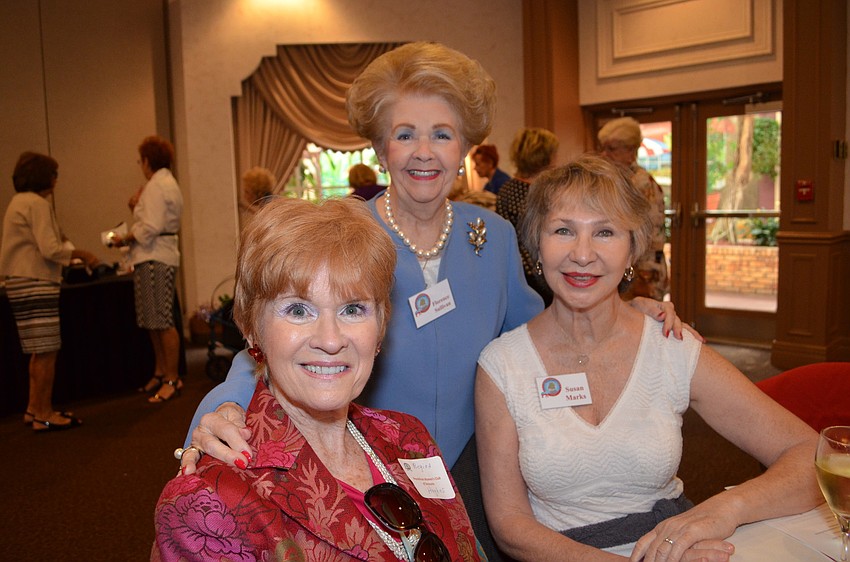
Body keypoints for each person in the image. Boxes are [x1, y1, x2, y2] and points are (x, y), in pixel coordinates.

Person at [178, 43, 689, 561]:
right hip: (366, 463)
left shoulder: (489, 233)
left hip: (470, 468)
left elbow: (537, 330)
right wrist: (224, 407)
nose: (424, 152)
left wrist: (621, 314)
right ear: (380, 149)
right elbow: (279, 334)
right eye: (405, 135)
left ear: (464, 146)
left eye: (442, 135)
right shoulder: (346, 235)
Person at [474, 154, 822, 562]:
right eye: (563, 230)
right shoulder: (502, 365)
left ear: (633, 249)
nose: (582, 254)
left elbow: (810, 455)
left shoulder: (670, 346)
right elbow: (511, 526)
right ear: (536, 243)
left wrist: (726, 508)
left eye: (604, 232)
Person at [153, 197, 481, 561]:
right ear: (251, 330)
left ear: (380, 328)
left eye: (353, 309)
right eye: (298, 309)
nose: (330, 339)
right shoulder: (208, 501)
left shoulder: (409, 437)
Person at [0, 151, 98, 431]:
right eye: (54, 175)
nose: (56, 181)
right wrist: (84, 255)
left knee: (37, 351)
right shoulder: (37, 203)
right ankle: (44, 412)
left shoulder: (18, 201)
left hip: (19, 280)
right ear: (43, 176)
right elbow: (50, 248)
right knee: (46, 351)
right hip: (36, 281)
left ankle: (33, 408)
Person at [111, 136, 184, 403]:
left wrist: (124, 238)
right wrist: (136, 209)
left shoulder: (156, 185)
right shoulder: (165, 182)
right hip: (155, 254)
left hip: (155, 256)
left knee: (162, 321)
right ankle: (161, 371)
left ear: (147, 161)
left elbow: (150, 227)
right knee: (153, 320)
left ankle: (172, 378)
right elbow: (154, 221)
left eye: (140, 160)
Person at [598, 116, 669, 301]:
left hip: (642, 274)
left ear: (630, 150)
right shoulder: (617, 182)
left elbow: (649, 238)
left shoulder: (641, 184)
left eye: (611, 149)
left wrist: (643, 279)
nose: (604, 154)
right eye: (603, 148)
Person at [496, 127, 560, 305]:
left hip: (517, 274)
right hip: (546, 274)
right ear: (545, 156)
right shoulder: (549, 192)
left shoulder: (506, 190)